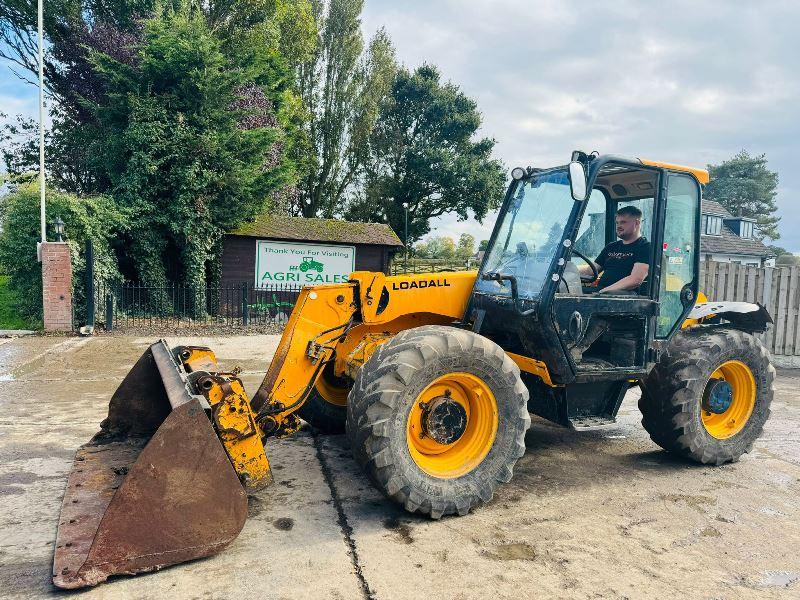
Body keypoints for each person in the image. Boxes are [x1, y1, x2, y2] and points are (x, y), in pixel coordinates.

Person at [589, 205, 650, 294]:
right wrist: (567, 270)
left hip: (624, 296)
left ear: (637, 223)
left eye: (623, 222)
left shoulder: (645, 247)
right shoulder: (611, 247)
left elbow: (635, 280)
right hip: (602, 293)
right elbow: (591, 271)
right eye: (617, 223)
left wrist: (603, 291)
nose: (618, 226)